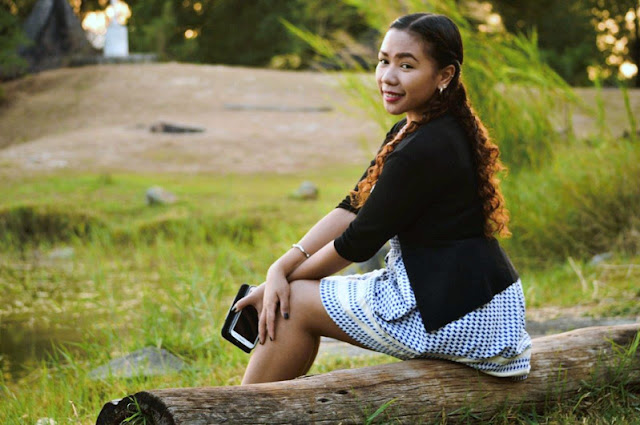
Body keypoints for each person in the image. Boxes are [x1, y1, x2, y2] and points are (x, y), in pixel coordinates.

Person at [233, 12, 531, 385]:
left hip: (455, 315)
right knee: (289, 291)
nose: (388, 77)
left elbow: (357, 241)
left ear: (445, 75)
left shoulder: (423, 148)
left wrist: (280, 285)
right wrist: (280, 268)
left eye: (406, 65)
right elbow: (353, 206)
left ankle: (245, 409)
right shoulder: (420, 127)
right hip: (481, 302)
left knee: (290, 305)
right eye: (383, 61)